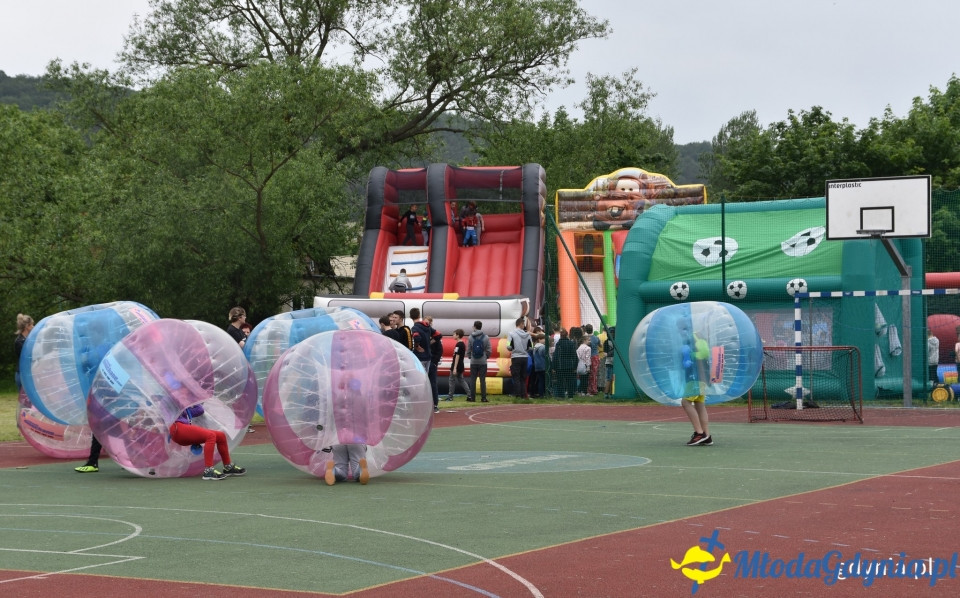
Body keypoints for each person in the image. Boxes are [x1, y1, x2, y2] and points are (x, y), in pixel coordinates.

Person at [169, 403, 247, 480]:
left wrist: (194, 401)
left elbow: (200, 410)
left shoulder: (185, 407)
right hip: (177, 428)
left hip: (182, 429)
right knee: (210, 436)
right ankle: (208, 470)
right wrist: (180, 401)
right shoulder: (168, 401)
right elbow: (166, 414)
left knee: (220, 436)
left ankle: (228, 466)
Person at [411, 308, 440, 411]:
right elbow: (438, 335)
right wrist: (429, 342)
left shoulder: (415, 327)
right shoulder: (427, 327)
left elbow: (417, 337)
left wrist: (417, 346)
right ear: (419, 315)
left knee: (419, 380)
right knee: (427, 381)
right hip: (428, 357)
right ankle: (432, 403)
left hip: (421, 357)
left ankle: (421, 403)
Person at [507, 317, 533, 399]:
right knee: (523, 377)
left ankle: (517, 395)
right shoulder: (528, 335)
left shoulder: (511, 334)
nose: (524, 326)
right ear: (521, 324)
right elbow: (531, 347)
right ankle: (523, 395)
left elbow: (508, 346)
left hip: (515, 357)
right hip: (525, 357)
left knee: (516, 377)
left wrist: (513, 349)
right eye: (523, 324)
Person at [467, 320, 491, 402]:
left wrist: (470, 357)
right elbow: (489, 350)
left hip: (473, 361)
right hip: (483, 361)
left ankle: (472, 398)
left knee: (473, 380)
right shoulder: (486, 337)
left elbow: (468, 350)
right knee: (482, 380)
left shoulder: (470, 337)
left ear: (474, 327)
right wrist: (485, 357)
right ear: (481, 327)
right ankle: (483, 398)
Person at [446, 329, 472, 401]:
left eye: (454, 334)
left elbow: (457, 356)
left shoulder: (459, 344)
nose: (453, 335)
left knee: (451, 380)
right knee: (461, 380)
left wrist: (454, 368)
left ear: (458, 335)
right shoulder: (462, 344)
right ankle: (469, 395)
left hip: (456, 365)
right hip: (460, 365)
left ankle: (450, 396)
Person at [552, 328, 578, 398]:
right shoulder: (571, 343)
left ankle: (561, 396)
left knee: (560, 382)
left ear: (560, 336)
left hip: (560, 366)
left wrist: (554, 367)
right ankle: (570, 396)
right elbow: (574, 355)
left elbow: (556, 356)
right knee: (569, 381)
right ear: (567, 335)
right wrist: (575, 366)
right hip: (569, 365)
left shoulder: (558, 344)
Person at [14, 313, 34, 390]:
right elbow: (28, 357)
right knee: (25, 401)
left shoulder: (29, 339)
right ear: (27, 326)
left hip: (28, 373)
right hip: (23, 374)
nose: (33, 327)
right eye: (32, 325)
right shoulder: (19, 341)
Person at [584, 323, 600, 395]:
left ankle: (589, 389)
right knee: (594, 374)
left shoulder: (585, 339)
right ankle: (594, 389)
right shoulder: (596, 338)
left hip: (587, 357)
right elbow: (600, 345)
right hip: (595, 356)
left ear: (586, 330)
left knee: (588, 374)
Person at [530, 333, 547, 398]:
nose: (544, 340)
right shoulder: (543, 347)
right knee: (544, 381)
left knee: (540, 381)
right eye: (543, 339)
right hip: (543, 365)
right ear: (539, 339)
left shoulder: (535, 348)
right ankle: (544, 394)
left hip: (537, 366)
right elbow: (545, 356)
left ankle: (540, 394)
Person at [603, 327, 616, 400]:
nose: (612, 334)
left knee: (612, 378)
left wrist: (609, 353)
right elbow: (605, 353)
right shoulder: (606, 342)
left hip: (614, 362)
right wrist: (610, 353)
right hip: (609, 362)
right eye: (611, 333)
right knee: (609, 378)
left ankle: (611, 393)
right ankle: (606, 393)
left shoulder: (616, 341)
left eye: (613, 333)